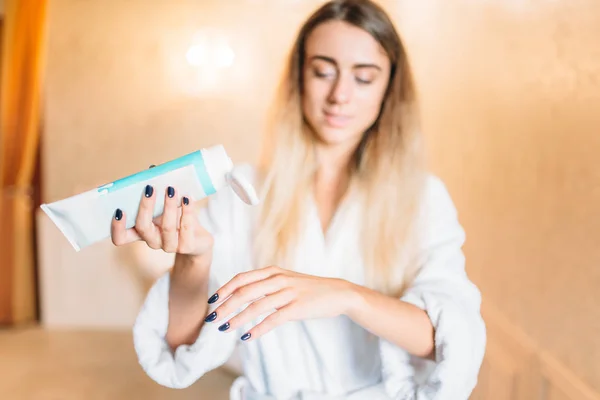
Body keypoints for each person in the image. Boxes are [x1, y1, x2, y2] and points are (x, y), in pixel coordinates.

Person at [111, 0, 486, 398]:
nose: (339, 95)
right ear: (299, 79)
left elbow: (449, 339)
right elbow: (181, 348)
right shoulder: (244, 191)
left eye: (364, 77)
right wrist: (193, 259)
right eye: (323, 72)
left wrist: (347, 296)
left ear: (389, 88)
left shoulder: (423, 198)